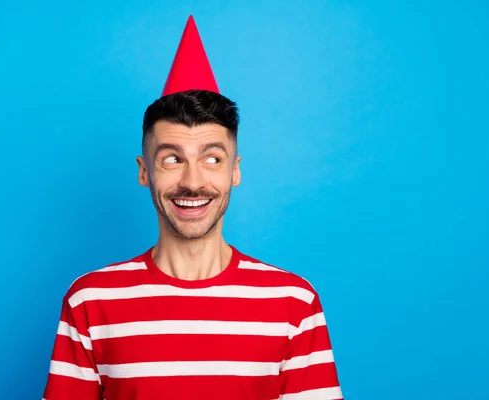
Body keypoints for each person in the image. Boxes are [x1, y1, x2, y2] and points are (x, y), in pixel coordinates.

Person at [42, 15, 343, 400]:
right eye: (171, 159)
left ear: (235, 171)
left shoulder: (293, 303)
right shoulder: (90, 301)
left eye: (212, 159)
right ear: (144, 171)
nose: (192, 181)